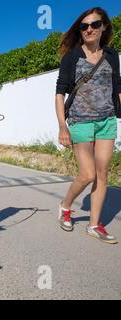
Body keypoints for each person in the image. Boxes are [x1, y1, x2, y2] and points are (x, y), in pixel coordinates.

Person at [55, 7, 120, 244]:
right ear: (80, 30)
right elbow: (60, 93)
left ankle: (94, 224)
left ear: (104, 27)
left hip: (107, 120)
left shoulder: (112, 56)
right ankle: (65, 206)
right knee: (87, 174)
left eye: (94, 24)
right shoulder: (71, 57)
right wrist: (63, 126)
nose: (89, 29)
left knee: (102, 174)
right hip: (80, 121)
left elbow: (117, 87)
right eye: (84, 26)